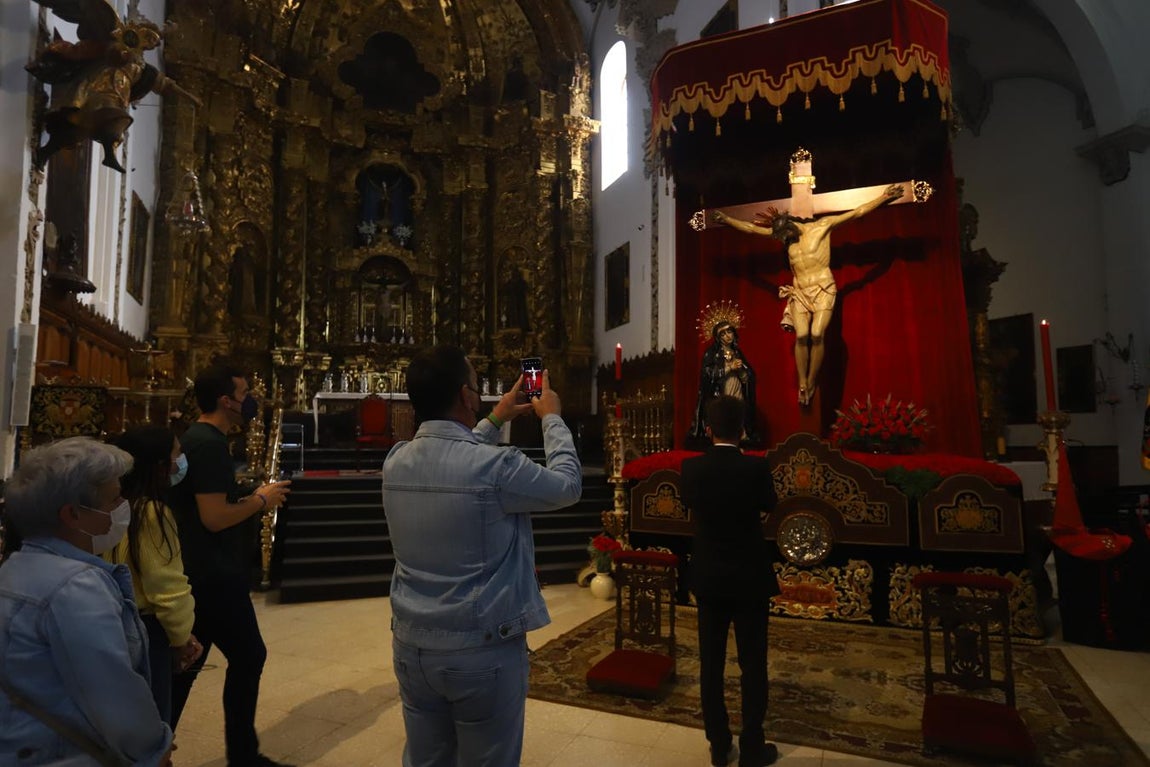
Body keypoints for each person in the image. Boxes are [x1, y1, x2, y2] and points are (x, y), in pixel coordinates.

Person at [382, 345, 582, 766]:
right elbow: (566, 486)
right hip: (481, 650)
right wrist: (552, 418)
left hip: (412, 645)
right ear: (467, 396)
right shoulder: (498, 467)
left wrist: (499, 415)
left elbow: (454, 454)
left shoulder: (395, 462)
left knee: (426, 759)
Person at [0, 437, 174, 766]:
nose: (123, 506)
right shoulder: (76, 586)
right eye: (113, 500)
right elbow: (111, 688)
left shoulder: (14, 568)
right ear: (73, 514)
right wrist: (153, 747)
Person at [168, 363, 291, 767]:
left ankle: (155, 748)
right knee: (243, 656)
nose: (250, 399)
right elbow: (214, 517)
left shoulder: (202, 438)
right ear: (226, 400)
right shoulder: (208, 444)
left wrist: (247, 494)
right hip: (213, 574)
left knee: (191, 664)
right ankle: (242, 755)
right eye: (244, 392)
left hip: (203, 570)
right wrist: (261, 501)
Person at [714, 182, 903, 405]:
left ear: (791, 226)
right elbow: (752, 229)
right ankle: (803, 381)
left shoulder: (822, 226)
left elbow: (857, 212)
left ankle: (812, 380)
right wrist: (727, 220)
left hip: (823, 288)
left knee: (817, 334)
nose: (784, 242)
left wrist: (883, 198)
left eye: (785, 237)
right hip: (800, 292)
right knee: (801, 336)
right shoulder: (785, 237)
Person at [680, 396, 780, 767]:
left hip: (709, 576)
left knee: (711, 663)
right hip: (751, 577)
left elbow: (690, 506)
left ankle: (719, 745)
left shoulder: (691, 469)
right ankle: (752, 746)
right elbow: (770, 504)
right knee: (753, 664)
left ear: (708, 430)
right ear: (742, 430)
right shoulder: (756, 469)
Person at [108, 425, 204, 724]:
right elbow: (166, 586)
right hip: (147, 629)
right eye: (177, 454)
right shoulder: (152, 514)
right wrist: (181, 637)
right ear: (159, 465)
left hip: (110, 620)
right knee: (151, 722)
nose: (181, 461)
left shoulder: (109, 506)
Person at [692, 320, 757, 441]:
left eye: (729, 332)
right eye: (723, 334)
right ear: (718, 337)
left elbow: (748, 376)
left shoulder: (737, 352)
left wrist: (741, 371)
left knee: (738, 412)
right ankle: (723, 440)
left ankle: (739, 438)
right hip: (721, 389)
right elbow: (707, 374)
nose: (728, 336)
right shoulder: (711, 354)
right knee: (724, 414)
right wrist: (728, 368)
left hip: (736, 386)